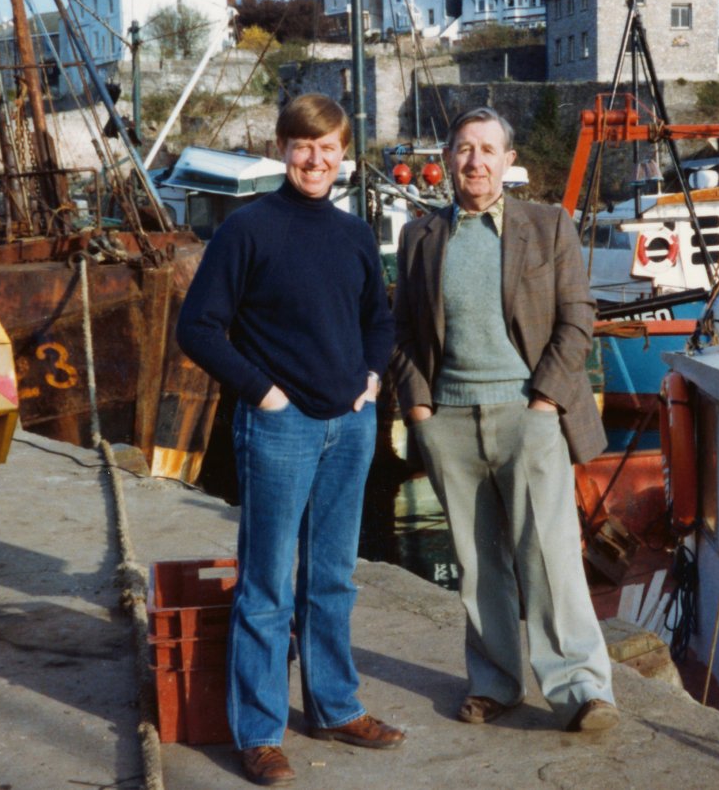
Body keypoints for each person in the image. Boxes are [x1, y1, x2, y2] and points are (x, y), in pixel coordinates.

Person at [176, 93, 402, 787]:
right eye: (303, 146)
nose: (315, 159)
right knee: (269, 584)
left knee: (332, 577)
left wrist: (369, 379)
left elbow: (379, 320)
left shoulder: (354, 233)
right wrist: (265, 394)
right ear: (283, 148)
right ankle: (260, 731)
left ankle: (335, 706)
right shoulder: (246, 230)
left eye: (328, 148)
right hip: (280, 427)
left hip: (351, 425)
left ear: (345, 158)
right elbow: (199, 328)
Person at [390, 106, 618, 733]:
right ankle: (495, 683)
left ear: (509, 161)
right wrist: (420, 409)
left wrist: (544, 403)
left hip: (527, 415)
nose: (476, 163)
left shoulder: (547, 227)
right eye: (464, 149)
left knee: (549, 557)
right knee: (477, 560)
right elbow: (403, 330)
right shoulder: (420, 237)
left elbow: (578, 320)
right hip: (450, 421)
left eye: (488, 150)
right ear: (448, 160)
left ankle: (581, 691)